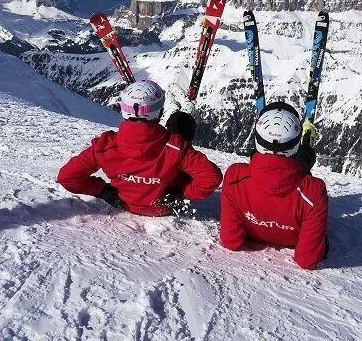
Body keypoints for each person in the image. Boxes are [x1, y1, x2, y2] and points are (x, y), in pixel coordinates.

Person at [57, 80, 222, 216]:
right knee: (181, 121)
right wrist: (182, 195)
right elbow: (211, 178)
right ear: (159, 112)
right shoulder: (176, 147)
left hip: (127, 204)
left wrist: (103, 191)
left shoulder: (105, 146)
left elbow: (67, 177)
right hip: (164, 207)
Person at [219, 102, 328, 269]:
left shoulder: (235, 178)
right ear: (296, 145)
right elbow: (307, 259)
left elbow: (231, 240)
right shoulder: (313, 193)